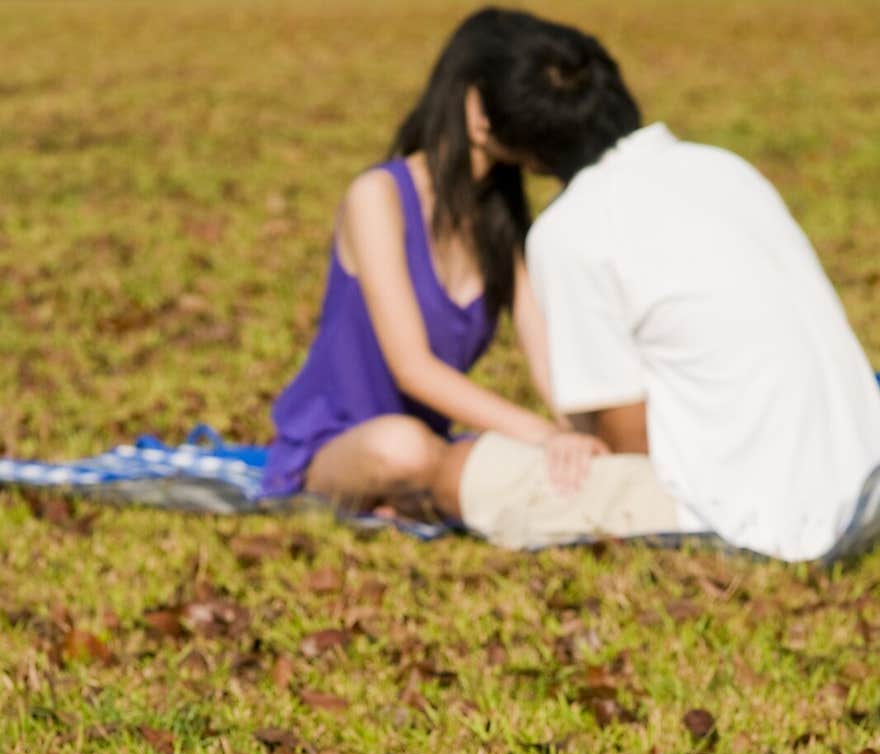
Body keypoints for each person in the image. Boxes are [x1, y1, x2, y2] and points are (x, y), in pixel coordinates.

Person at [440, 8, 880, 563]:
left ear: (506, 133)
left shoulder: (572, 228)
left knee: (456, 472)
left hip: (772, 512)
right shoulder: (720, 165)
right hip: (860, 463)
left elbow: (627, 443)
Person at [258, 7, 607, 522]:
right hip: (340, 448)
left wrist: (583, 439)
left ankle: (425, 495)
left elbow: (546, 360)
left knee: (442, 455)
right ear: (475, 106)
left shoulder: (503, 224)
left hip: (432, 448)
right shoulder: (377, 197)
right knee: (405, 448)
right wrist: (544, 436)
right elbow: (413, 368)